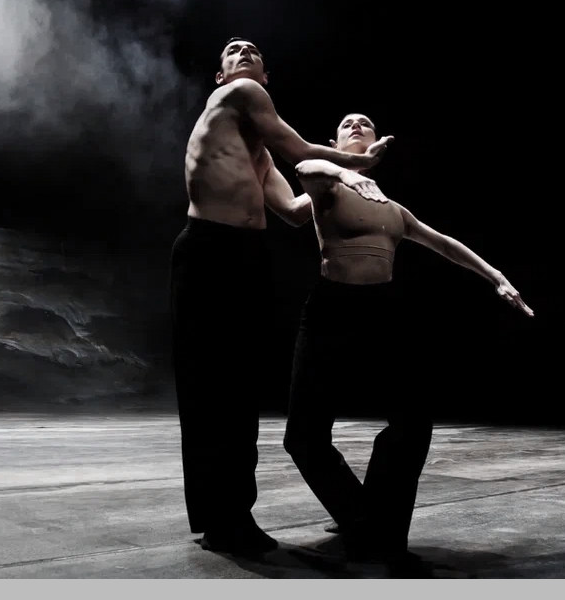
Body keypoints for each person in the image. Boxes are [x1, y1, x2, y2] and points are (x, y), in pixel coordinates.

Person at [172, 38, 394, 557]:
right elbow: (301, 149)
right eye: (233, 50)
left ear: (267, 75)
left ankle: (231, 515)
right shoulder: (239, 94)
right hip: (209, 249)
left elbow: (293, 212)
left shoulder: (258, 151)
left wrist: (338, 184)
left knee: (238, 389)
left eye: (253, 51)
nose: (245, 51)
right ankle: (222, 520)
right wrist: (355, 160)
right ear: (221, 76)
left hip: (245, 255)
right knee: (210, 388)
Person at [281, 113, 535, 564]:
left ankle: (379, 529)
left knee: (412, 425)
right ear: (333, 142)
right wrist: (346, 170)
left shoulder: (393, 209)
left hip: (381, 311)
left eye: (365, 123)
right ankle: (360, 518)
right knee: (303, 436)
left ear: (378, 140)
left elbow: (445, 243)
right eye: (347, 123)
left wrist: (496, 276)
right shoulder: (327, 186)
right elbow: (304, 167)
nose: (356, 125)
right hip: (330, 309)